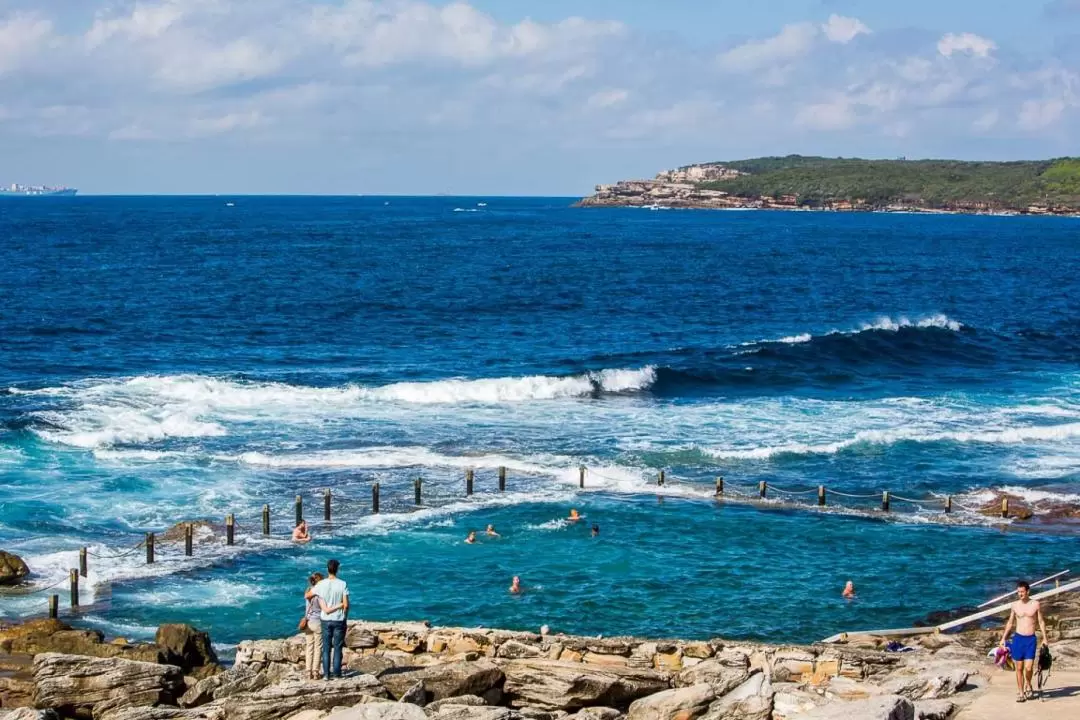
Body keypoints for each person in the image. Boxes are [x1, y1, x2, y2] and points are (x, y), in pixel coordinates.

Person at [999, 580, 1048, 702]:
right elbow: (1010, 622)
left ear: (1028, 591)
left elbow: (1041, 622)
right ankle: (1021, 693)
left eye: (1022, 592)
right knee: (1019, 667)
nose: (1020, 594)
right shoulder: (1015, 605)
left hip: (1030, 639)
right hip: (1018, 639)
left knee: (1029, 668)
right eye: (1018, 592)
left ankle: (1028, 684)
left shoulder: (1035, 604)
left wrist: (1045, 638)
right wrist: (1003, 638)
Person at [308, 558, 349, 680]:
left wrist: (320, 599)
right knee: (337, 647)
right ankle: (336, 673)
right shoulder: (343, 584)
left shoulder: (321, 584)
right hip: (339, 619)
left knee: (326, 648)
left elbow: (308, 595)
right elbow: (346, 605)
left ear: (327, 569)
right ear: (337, 569)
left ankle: (326, 674)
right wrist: (344, 616)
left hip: (325, 619)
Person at [302, 572, 323, 679]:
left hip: (308, 622)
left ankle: (308, 671)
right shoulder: (319, 593)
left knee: (309, 647)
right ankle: (315, 672)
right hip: (317, 622)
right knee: (318, 647)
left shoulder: (308, 591)